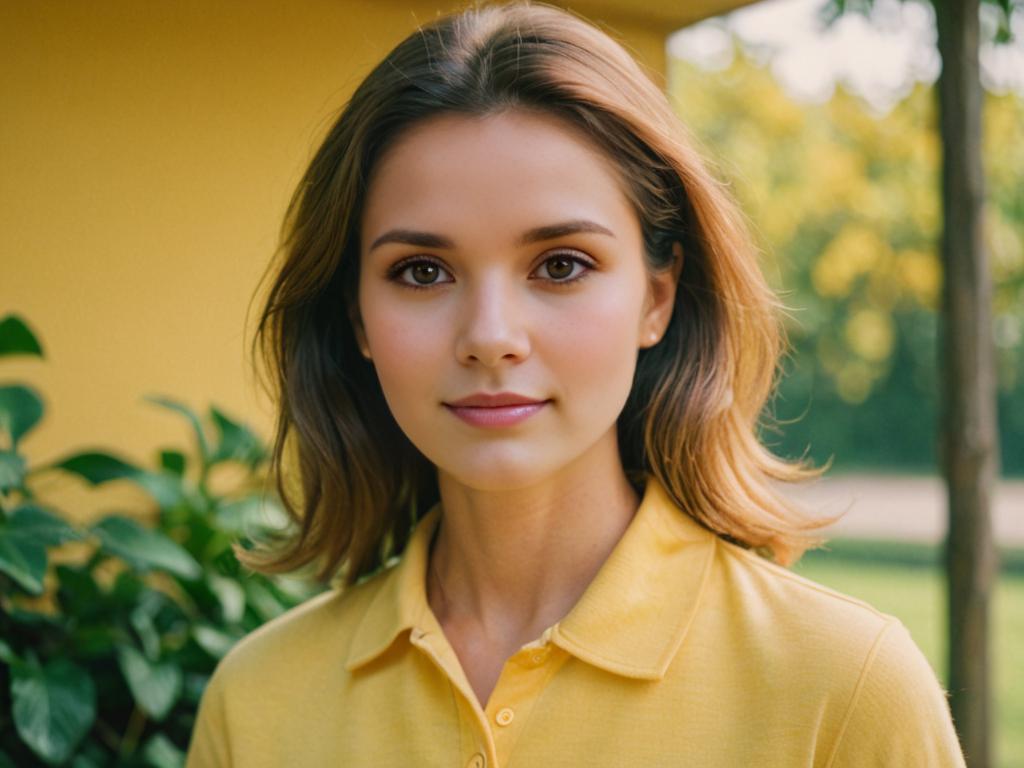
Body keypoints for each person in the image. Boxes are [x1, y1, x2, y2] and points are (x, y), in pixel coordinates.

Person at [185, 2, 967, 766]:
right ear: (356, 315)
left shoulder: (844, 687)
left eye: (561, 265)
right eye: (421, 272)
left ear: (656, 297)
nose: (490, 336)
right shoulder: (255, 702)